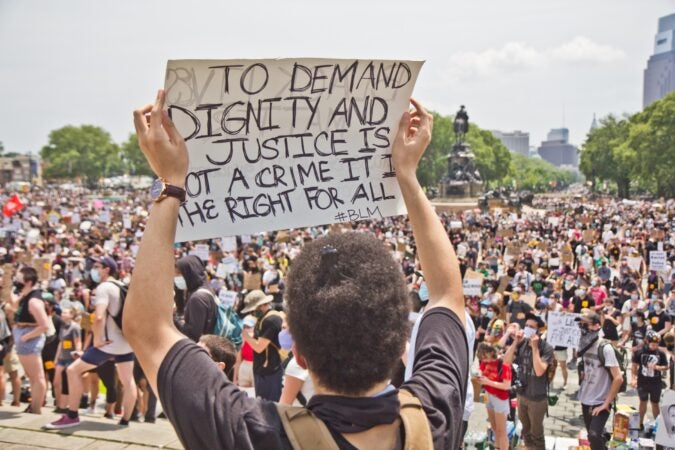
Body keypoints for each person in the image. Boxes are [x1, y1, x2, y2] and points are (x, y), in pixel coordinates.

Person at [124, 92, 468, 449]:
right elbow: (447, 294)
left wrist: (170, 181)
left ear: (298, 354)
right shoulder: (432, 417)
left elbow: (148, 331)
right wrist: (407, 176)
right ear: (403, 347)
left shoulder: (253, 434)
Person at [45, 256, 137, 429]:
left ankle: (72, 415)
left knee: (72, 370)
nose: (94, 270)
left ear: (107, 269)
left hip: (109, 343)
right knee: (128, 380)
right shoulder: (121, 286)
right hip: (126, 342)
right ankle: (125, 420)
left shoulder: (104, 288)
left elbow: (99, 316)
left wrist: (97, 339)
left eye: (97, 266)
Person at [503, 313, 553, 450]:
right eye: (526, 326)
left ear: (538, 331)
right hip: (522, 395)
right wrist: (515, 342)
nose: (528, 329)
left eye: (531, 327)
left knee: (536, 433)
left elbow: (539, 371)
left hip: (537, 398)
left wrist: (535, 347)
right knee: (525, 431)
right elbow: (506, 362)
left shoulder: (546, 348)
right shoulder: (522, 343)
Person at [576, 312, 623, 450]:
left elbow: (618, 378)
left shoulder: (605, 348)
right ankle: (605, 438)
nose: (582, 327)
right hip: (586, 399)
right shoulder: (583, 345)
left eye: (586, 324)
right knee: (595, 437)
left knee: (593, 436)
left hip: (600, 401)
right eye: (581, 324)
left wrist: (606, 403)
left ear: (597, 326)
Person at [10, 266, 49, 414]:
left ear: (28, 282)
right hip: (24, 337)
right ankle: (33, 406)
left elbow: (44, 325)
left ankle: (36, 408)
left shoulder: (34, 301)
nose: (16, 280)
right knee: (32, 377)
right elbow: (13, 304)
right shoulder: (26, 296)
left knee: (36, 377)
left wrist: (25, 337)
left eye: (19, 278)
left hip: (29, 339)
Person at [239, 289, 284, 401]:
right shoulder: (264, 318)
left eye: (254, 309)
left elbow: (259, 347)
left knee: (268, 408)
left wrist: (246, 337)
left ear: (262, 305)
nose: (252, 312)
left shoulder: (270, 320)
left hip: (268, 371)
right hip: (264, 369)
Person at [475, 343, 511, 450]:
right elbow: (481, 370)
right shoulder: (485, 361)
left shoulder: (503, 363)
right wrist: (478, 376)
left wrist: (488, 381)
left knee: (501, 431)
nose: (484, 361)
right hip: (488, 395)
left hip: (500, 398)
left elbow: (506, 386)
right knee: (494, 427)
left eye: (485, 358)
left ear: (491, 352)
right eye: (482, 359)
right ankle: (497, 447)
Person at [174, 255, 218, 342]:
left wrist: (174, 318)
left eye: (179, 274)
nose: (176, 277)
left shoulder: (197, 298)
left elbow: (193, 334)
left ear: (190, 273)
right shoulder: (204, 288)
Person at [630, 330, 668, 429]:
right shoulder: (640, 351)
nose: (655, 346)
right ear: (647, 342)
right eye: (653, 344)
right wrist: (633, 379)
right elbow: (634, 366)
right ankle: (640, 423)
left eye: (656, 344)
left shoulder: (660, 353)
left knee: (655, 404)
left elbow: (666, 366)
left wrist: (659, 368)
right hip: (642, 382)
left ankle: (658, 425)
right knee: (643, 402)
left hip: (656, 382)